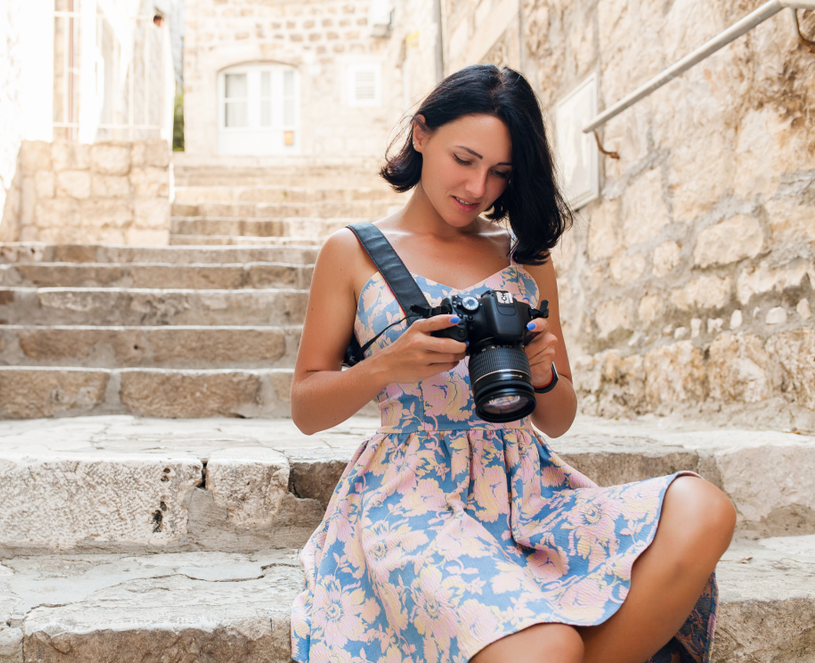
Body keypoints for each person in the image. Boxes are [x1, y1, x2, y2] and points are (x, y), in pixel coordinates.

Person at [289, 65, 736, 663]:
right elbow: (305, 407)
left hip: (527, 486)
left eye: (500, 172)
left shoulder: (525, 255)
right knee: (547, 646)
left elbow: (558, 418)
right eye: (464, 159)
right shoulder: (351, 252)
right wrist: (385, 367)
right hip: (413, 497)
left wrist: (544, 371)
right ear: (421, 134)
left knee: (703, 507)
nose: (478, 188)